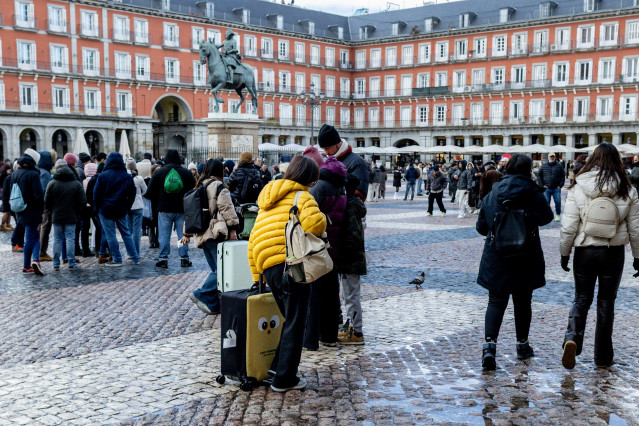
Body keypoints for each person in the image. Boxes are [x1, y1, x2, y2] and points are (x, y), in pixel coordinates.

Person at [248, 155, 327, 392]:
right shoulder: (303, 197)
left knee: (289, 319)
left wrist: (256, 276)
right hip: (292, 265)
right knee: (296, 322)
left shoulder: (267, 198)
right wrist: (324, 217)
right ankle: (285, 379)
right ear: (309, 179)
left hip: (269, 268)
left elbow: (254, 240)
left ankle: (276, 368)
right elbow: (316, 226)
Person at [559, 143, 639, 370]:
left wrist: (565, 253)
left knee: (581, 298)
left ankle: (572, 337)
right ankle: (603, 356)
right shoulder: (627, 189)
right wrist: (638, 256)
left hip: (585, 250)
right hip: (612, 252)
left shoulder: (579, 186)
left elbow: (569, 225)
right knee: (606, 302)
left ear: (592, 159)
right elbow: (636, 227)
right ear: (618, 161)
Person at [476, 154, 554, 370]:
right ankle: (522, 345)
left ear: (507, 167)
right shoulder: (533, 192)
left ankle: (489, 347)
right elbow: (547, 218)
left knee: (496, 301)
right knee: (523, 301)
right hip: (525, 254)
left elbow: (481, 227)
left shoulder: (494, 192)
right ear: (529, 169)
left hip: (497, 255)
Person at [183, 159, 239, 315]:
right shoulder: (219, 186)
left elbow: (190, 212)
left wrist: (186, 234)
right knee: (221, 270)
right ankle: (201, 294)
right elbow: (227, 208)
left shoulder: (199, 186)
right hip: (215, 232)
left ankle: (213, 305)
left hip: (201, 234)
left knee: (215, 269)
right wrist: (233, 229)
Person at [303, 155, 347, 351]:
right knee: (331, 295)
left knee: (314, 295)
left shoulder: (319, 188)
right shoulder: (341, 187)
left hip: (319, 246)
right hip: (336, 247)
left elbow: (310, 219)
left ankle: (311, 339)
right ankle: (329, 336)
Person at [144, 149, 196, 268]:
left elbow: (149, 192)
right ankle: (184, 258)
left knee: (164, 235)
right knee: (181, 235)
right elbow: (194, 190)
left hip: (164, 208)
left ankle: (163, 258)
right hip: (182, 209)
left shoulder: (159, 172)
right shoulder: (186, 173)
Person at [2, 149, 45, 275]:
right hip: (32, 210)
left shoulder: (14, 174)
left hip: (19, 209)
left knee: (35, 235)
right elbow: (38, 195)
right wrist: (42, 208)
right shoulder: (33, 174)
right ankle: (27, 265)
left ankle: (36, 260)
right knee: (30, 237)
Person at [93, 152, 140, 266]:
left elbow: (96, 194)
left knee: (111, 235)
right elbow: (132, 193)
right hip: (121, 208)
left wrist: (97, 207)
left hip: (106, 209)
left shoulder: (103, 176)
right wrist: (127, 206)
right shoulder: (127, 176)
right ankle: (134, 258)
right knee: (126, 233)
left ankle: (117, 259)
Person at [337, 174, 367, 345]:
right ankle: (352, 327)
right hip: (353, 259)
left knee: (351, 295)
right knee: (347, 294)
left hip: (351, 260)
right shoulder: (355, 206)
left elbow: (352, 238)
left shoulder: (349, 207)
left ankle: (357, 331)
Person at [44, 162, 86, 270]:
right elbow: (83, 201)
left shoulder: (52, 183)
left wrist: (51, 210)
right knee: (70, 239)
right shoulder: (76, 184)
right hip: (71, 215)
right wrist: (77, 210)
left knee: (57, 239)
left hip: (56, 215)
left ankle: (56, 264)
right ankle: (71, 262)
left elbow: (46, 201)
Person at [317, 124, 368, 201]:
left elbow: (359, 196)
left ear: (337, 143)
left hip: (344, 211)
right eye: (323, 149)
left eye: (327, 148)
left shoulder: (357, 162)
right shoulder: (327, 161)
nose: (326, 152)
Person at [126, 159, 147, 256]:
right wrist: (139, 195)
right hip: (137, 204)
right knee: (137, 230)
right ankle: (136, 252)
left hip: (126, 205)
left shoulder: (124, 177)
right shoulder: (139, 178)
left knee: (128, 230)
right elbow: (145, 191)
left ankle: (129, 252)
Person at [37, 150, 54, 261]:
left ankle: (40, 250)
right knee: (44, 227)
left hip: (39, 205)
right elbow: (45, 191)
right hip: (45, 206)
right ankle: (42, 252)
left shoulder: (39, 171)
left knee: (40, 227)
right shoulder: (45, 174)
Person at [537, 153, 565, 222]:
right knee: (546, 203)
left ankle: (558, 214)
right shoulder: (543, 165)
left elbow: (563, 176)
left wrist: (560, 185)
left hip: (556, 188)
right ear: (548, 157)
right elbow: (539, 175)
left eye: (553, 156)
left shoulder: (559, 166)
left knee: (558, 202)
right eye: (550, 156)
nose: (552, 158)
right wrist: (542, 185)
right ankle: (547, 216)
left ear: (555, 157)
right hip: (547, 188)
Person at [81, 162, 101, 256]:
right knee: (97, 226)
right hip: (93, 206)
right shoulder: (96, 180)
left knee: (84, 228)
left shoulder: (83, 181)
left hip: (84, 207)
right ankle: (97, 248)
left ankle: (85, 250)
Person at [0, 162, 14, 232]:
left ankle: (7, 224)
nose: (10, 171)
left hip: (6, 195)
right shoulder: (5, 177)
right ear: (6, 170)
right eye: (9, 170)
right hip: (6, 196)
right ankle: (2, 225)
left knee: (8, 211)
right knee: (6, 211)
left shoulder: (5, 176)